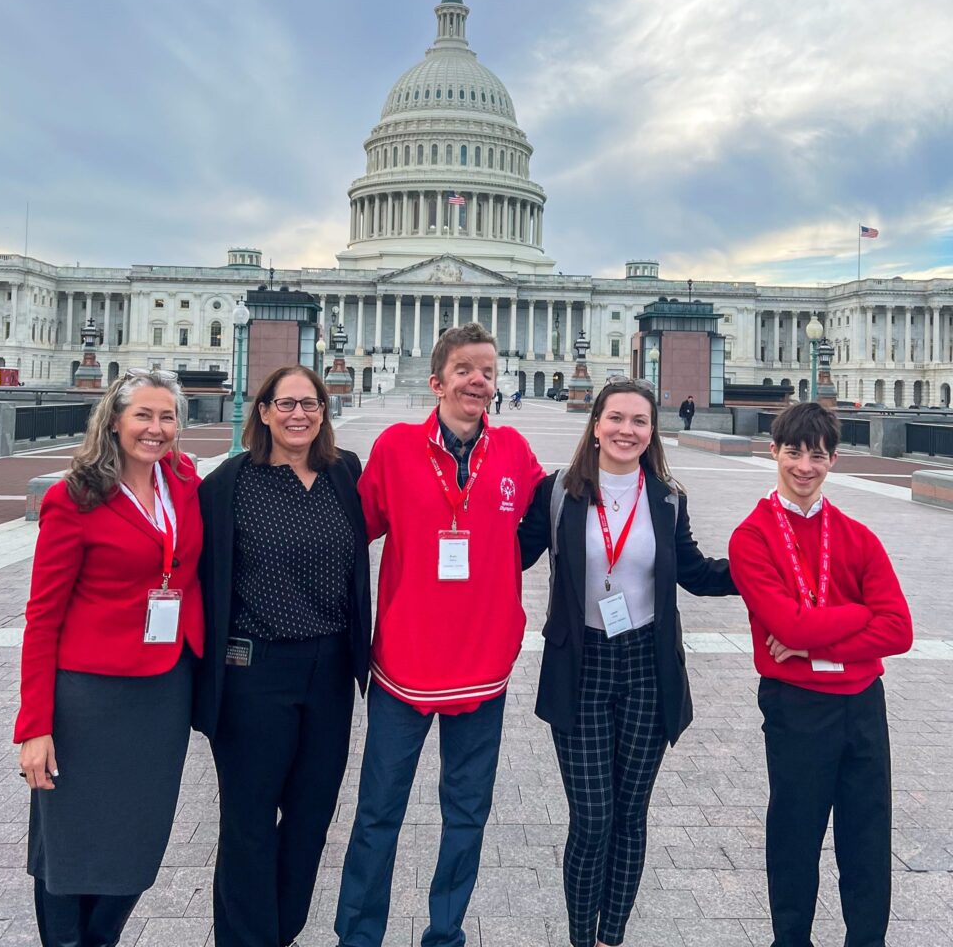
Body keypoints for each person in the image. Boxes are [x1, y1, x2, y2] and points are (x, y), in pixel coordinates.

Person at [335, 322, 544, 947]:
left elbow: (548, 525)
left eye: (487, 370)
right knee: (378, 812)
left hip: (484, 662)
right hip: (405, 660)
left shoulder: (514, 454)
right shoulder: (396, 448)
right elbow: (349, 534)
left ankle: (445, 932)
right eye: (464, 370)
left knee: (467, 814)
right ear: (437, 382)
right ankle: (358, 934)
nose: (477, 380)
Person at [518, 376, 735, 947]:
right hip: (580, 666)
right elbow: (511, 554)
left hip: (646, 666)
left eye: (639, 421)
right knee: (592, 819)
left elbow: (693, 571)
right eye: (616, 418)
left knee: (630, 817)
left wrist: (760, 571)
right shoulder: (558, 491)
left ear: (651, 431)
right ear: (595, 425)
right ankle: (579, 938)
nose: (626, 430)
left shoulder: (666, 497)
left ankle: (612, 936)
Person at [15, 369, 204, 947]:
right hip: (90, 696)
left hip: (163, 691)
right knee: (71, 840)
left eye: (167, 416)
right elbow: (43, 617)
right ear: (114, 420)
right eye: (143, 416)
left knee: (138, 839)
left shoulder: (182, 480)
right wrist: (34, 728)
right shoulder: (72, 498)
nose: (156, 428)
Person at [194, 364, 371, 947]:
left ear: (324, 411)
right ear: (263, 411)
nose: (300, 415)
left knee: (311, 816)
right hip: (254, 670)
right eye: (287, 403)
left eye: (311, 404)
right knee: (248, 821)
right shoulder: (225, 486)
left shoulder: (345, 472)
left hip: (329, 670)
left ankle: (282, 930)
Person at [729, 402, 913, 947]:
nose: (804, 466)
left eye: (817, 455)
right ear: (774, 453)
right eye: (793, 452)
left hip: (862, 703)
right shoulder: (752, 537)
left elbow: (899, 630)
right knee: (795, 833)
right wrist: (860, 617)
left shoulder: (857, 535)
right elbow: (785, 622)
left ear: (833, 460)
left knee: (868, 834)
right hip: (797, 704)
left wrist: (813, 635)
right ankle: (790, 940)